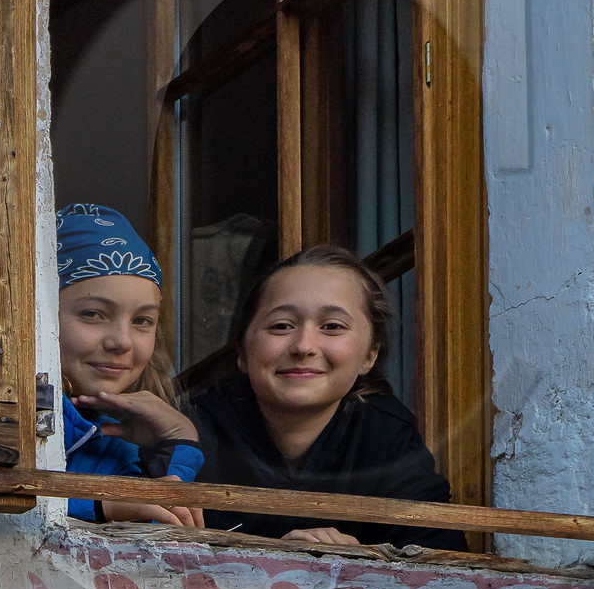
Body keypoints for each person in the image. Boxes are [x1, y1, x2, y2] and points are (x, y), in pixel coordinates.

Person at [184, 244, 464, 553]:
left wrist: (362, 560)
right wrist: (276, 554)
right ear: (242, 352)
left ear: (370, 355)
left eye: (332, 327)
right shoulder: (193, 431)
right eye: (281, 326)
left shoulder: (386, 438)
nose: (303, 346)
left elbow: (443, 557)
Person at [56, 204, 204, 527]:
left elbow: (157, 542)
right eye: (93, 314)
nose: (122, 342)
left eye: (142, 320)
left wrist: (176, 443)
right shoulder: (0, 417)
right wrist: (99, 503)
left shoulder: (113, 444)